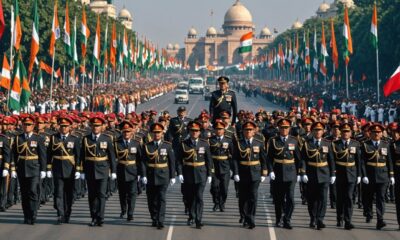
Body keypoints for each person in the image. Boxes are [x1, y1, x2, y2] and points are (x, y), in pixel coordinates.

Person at [80, 116, 116, 227]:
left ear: (102, 127)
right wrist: (81, 170)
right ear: (91, 126)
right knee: (92, 195)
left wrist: (113, 171)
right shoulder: (86, 139)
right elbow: (82, 156)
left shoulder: (107, 139)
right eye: (94, 126)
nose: (96, 128)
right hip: (90, 170)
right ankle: (93, 217)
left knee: (101, 194)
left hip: (103, 170)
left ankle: (100, 217)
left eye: (98, 126)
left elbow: (111, 156)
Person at [176, 121, 212, 229]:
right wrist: (180, 173)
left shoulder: (204, 143)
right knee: (190, 197)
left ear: (199, 132)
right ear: (189, 131)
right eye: (192, 131)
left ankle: (198, 219)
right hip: (188, 173)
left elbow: (209, 160)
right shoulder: (183, 143)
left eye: (196, 131)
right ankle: (191, 216)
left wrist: (210, 174)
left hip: (201, 173)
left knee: (199, 197)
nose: (194, 133)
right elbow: (178, 160)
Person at [266, 118, 301, 229]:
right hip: (278, 172)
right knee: (278, 199)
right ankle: (278, 219)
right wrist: (270, 171)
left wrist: (300, 172)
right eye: (282, 128)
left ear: (289, 128)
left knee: (290, 198)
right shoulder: (273, 141)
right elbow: (269, 158)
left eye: (286, 128)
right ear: (279, 128)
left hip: (291, 173)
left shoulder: (294, 140)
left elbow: (298, 158)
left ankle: (287, 219)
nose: (284, 129)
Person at [232, 121, 268, 229]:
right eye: (246, 130)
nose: (248, 132)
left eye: (250, 130)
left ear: (254, 131)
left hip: (255, 172)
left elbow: (263, 158)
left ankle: (251, 217)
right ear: (243, 132)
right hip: (242, 173)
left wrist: (264, 172)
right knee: (243, 197)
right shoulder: (239, 143)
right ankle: (243, 215)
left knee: (253, 196)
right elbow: (234, 160)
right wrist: (236, 173)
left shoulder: (259, 142)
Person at [300, 122, 335, 230]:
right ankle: (313, 217)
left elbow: (331, 159)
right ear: (312, 131)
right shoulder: (307, 143)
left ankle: (320, 219)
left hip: (324, 173)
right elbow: (303, 159)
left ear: (323, 131)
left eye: (320, 130)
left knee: (323, 198)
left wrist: (333, 174)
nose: (318, 132)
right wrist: (303, 172)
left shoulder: (327, 143)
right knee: (312, 198)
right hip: (311, 173)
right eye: (316, 130)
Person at [46, 116, 81, 224]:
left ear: (70, 127)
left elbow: (78, 156)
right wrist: (48, 168)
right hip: (57, 168)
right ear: (59, 127)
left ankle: (67, 212)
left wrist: (78, 170)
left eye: (66, 126)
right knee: (58, 192)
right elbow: (49, 154)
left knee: (68, 193)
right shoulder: (53, 138)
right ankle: (60, 214)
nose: (64, 128)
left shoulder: (74, 139)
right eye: (62, 126)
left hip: (70, 170)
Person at [13, 115, 46, 225]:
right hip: (22, 168)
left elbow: (42, 155)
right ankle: (26, 215)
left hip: (34, 168)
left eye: (29, 125)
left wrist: (43, 169)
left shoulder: (38, 138)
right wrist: (13, 168)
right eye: (25, 124)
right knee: (24, 193)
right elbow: (14, 154)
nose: (26, 126)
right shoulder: (18, 138)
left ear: (33, 126)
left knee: (32, 191)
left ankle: (33, 213)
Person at [141, 123, 176, 229]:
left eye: (158, 132)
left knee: (161, 198)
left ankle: (160, 220)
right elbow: (143, 162)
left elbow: (172, 162)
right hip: (151, 175)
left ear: (162, 133)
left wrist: (172, 176)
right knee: (151, 199)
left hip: (163, 175)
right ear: (151, 133)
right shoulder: (147, 146)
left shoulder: (167, 145)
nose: (156, 134)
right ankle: (154, 217)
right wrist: (143, 175)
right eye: (155, 132)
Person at [361, 123, 394, 230]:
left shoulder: (386, 144)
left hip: (383, 175)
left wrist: (391, 175)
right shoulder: (365, 144)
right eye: (374, 132)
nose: (376, 134)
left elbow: (389, 161)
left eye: (378, 132)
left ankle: (380, 219)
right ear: (370, 133)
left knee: (381, 198)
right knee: (368, 197)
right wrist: (364, 175)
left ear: (381, 133)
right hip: (370, 174)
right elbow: (362, 162)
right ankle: (368, 213)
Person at [332, 123, 363, 230]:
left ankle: (348, 220)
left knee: (349, 197)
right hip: (340, 174)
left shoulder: (356, 144)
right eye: (344, 131)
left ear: (351, 132)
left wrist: (359, 175)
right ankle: (339, 218)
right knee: (340, 198)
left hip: (352, 174)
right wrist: (333, 173)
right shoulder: (335, 144)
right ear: (341, 132)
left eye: (348, 131)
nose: (346, 133)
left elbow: (359, 160)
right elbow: (333, 160)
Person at [115, 120, 142, 222]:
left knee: (132, 193)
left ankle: (130, 213)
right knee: (122, 193)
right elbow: (114, 157)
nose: (126, 134)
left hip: (133, 171)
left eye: (128, 132)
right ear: (122, 132)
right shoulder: (117, 143)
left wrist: (140, 173)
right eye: (124, 132)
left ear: (132, 132)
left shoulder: (136, 143)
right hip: (121, 170)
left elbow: (140, 159)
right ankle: (123, 209)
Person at [209, 119, 234, 212]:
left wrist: (233, 169)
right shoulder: (210, 140)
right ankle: (216, 203)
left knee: (224, 188)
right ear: (214, 130)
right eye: (217, 129)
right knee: (214, 187)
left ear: (224, 130)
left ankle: (222, 202)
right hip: (214, 166)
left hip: (225, 166)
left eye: (220, 129)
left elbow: (233, 155)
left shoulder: (229, 140)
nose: (219, 131)